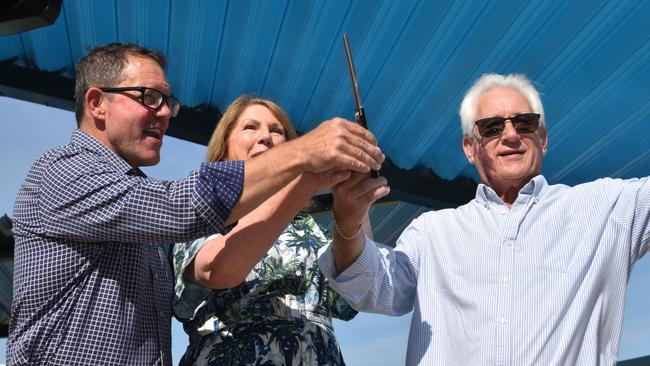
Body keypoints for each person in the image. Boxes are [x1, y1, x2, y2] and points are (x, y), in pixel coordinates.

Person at [8, 43, 384, 365]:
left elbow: (353, 295)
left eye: (168, 102)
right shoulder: (65, 172)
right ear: (97, 103)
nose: (166, 113)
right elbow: (185, 216)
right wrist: (305, 159)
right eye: (150, 98)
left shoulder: (136, 202)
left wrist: (350, 208)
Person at [319, 73, 649, 365]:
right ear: (469, 148)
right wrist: (348, 219)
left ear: (543, 139)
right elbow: (373, 289)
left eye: (524, 123)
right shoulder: (433, 232)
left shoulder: (608, 208)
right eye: (491, 127)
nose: (510, 135)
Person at [173, 95, 385, 365]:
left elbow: (355, 293)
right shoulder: (204, 211)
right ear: (224, 152)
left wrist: (354, 209)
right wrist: (307, 178)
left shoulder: (307, 228)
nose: (266, 137)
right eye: (251, 127)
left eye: (277, 131)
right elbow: (216, 270)